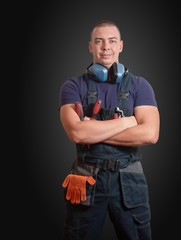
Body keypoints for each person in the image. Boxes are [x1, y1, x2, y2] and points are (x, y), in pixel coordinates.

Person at [59, 20, 159, 240]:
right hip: (86, 180)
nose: (106, 47)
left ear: (121, 46)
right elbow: (77, 133)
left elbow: (150, 134)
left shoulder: (140, 86)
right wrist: (128, 121)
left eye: (112, 41)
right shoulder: (73, 86)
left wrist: (92, 128)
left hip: (129, 182)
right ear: (90, 47)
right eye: (99, 41)